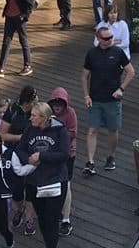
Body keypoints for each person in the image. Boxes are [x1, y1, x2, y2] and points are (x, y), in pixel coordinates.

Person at [9, 101, 70, 248]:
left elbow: (64, 154)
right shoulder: (30, 129)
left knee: (52, 219)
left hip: (55, 181)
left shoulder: (60, 130)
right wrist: (28, 159)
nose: (31, 118)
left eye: (34, 116)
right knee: (42, 218)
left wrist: (41, 157)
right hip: (34, 182)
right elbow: (20, 149)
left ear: (44, 118)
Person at [81, 24, 135, 176]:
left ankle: (111, 156)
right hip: (95, 99)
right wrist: (86, 95)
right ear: (98, 39)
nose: (110, 40)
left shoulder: (118, 53)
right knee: (92, 130)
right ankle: (90, 162)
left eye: (111, 37)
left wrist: (121, 89)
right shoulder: (91, 54)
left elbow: (131, 72)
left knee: (113, 130)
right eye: (106, 38)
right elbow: (85, 75)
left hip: (113, 99)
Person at [1, 86, 37, 236]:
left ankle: (29, 219)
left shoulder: (35, 113)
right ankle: (19, 209)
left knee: (31, 187)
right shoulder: (12, 111)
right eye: (35, 99)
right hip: (14, 153)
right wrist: (20, 138)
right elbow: (2, 135)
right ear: (28, 101)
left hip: (30, 153)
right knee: (16, 189)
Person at [47, 89, 78, 236]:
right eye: (55, 103)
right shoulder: (48, 113)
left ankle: (66, 219)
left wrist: (58, 132)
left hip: (67, 155)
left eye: (60, 103)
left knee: (66, 185)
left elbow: (73, 132)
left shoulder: (70, 113)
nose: (57, 106)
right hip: (51, 155)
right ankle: (55, 212)